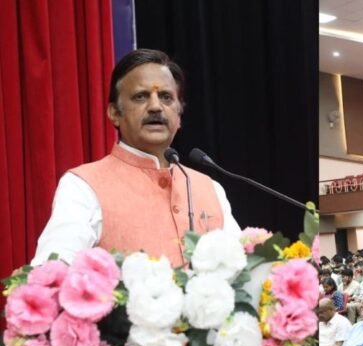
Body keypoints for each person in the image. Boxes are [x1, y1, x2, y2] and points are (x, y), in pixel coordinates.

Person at [32, 49, 241, 267]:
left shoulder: (209, 188)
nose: (155, 107)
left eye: (166, 97)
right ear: (114, 113)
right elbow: (52, 272)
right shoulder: (82, 186)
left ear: (179, 116)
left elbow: (241, 270)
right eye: (141, 96)